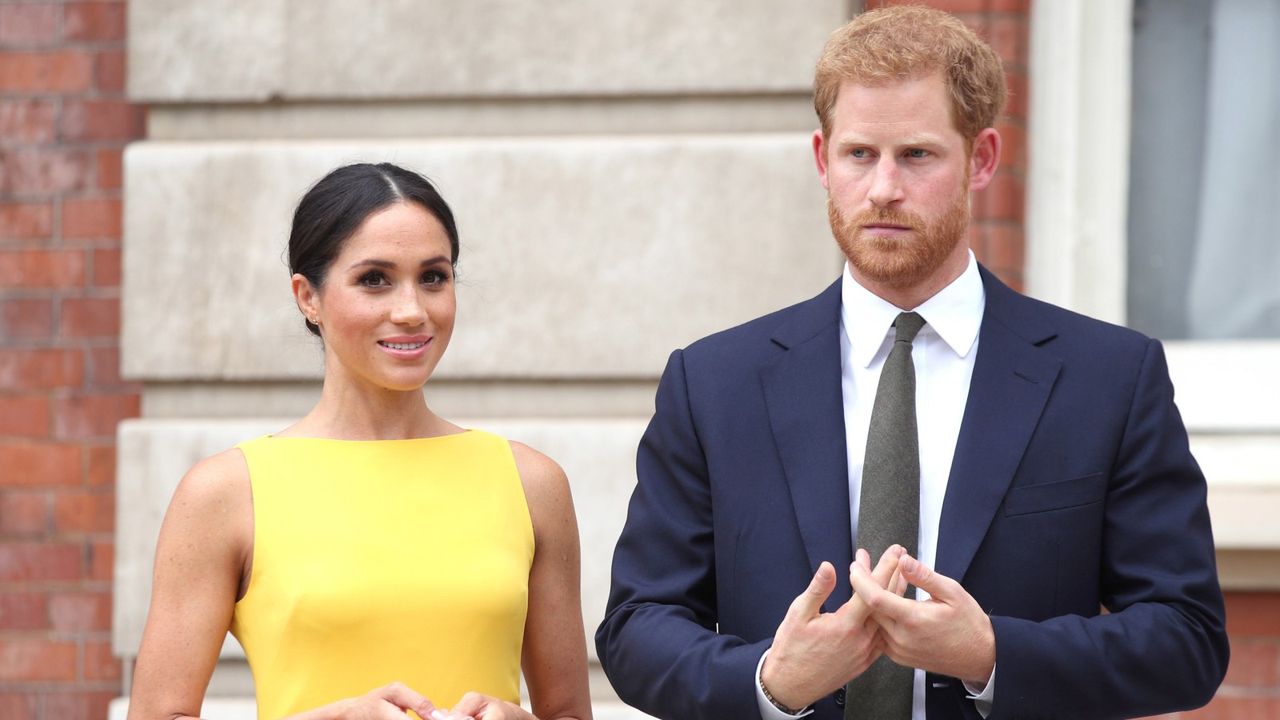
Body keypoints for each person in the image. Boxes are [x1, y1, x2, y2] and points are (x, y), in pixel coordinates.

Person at [595, 7, 1228, 720]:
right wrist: (772, 682)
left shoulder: (1109, 378)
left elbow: (1188, 639)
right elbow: (636, 629)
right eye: (859, 154)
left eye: (917, 156)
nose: (884, 189)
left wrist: (991, 653)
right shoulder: (713, 383)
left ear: (982, 158)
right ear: (821, 159)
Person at [128, 163, 593, 720]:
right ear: (308, 297)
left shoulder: (531, 483)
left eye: (434, 277)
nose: (412, 311)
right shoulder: (226, 493)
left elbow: (568, 712)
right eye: (374, 279)